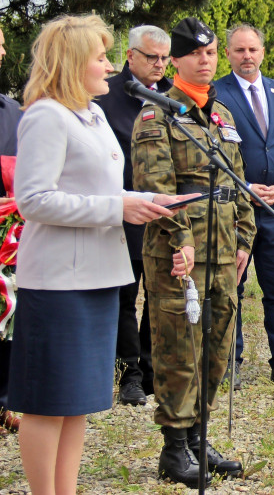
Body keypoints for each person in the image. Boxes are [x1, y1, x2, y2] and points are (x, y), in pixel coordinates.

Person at [10, 14, 180, 494]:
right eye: (101, 57)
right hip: (60, 281)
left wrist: (145, 201)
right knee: (47, 403)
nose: (109, 67)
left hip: (99, 276)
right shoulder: (45, 115)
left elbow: (101, 188)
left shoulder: (93, 113)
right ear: (71, 63)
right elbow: (33, 199)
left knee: (79, 401)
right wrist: (117, 207)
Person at [132, 16, 256, 486]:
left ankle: (200, 439)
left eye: (210, 53)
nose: (206, 60)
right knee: (178, 351)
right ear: (176, 62)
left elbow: (238, 183)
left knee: (215, 347)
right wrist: (180, 240)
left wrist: (245, 240)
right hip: (179, 257)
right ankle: (174, 450)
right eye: (196, 54)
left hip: (224, 252)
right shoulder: (157, 114)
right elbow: (155, 188)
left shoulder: (220, 115)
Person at [214, 24, 274, 390]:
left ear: (263, 52)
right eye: (239, 50)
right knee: (230, 286)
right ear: (228, 54)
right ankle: (228, 362)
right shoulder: (215, 94)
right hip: (235, 211)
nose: (247, 56)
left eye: (253, 49)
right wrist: (244, 187)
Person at [94, 24, 174, 407]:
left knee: (158, 296)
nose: (159, 65)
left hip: (163, 214)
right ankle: (129, 375)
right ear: (130, 56)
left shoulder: (174, 98)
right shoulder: (106, 97)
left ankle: (151, 368)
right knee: (126, 297)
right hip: (122, 213)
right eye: (151, 57)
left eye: (164, 58)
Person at [0, 25, 22, 436]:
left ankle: (2, 401)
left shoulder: (12, 112)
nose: (3, 53)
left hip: (9, 238)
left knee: (7, 319)